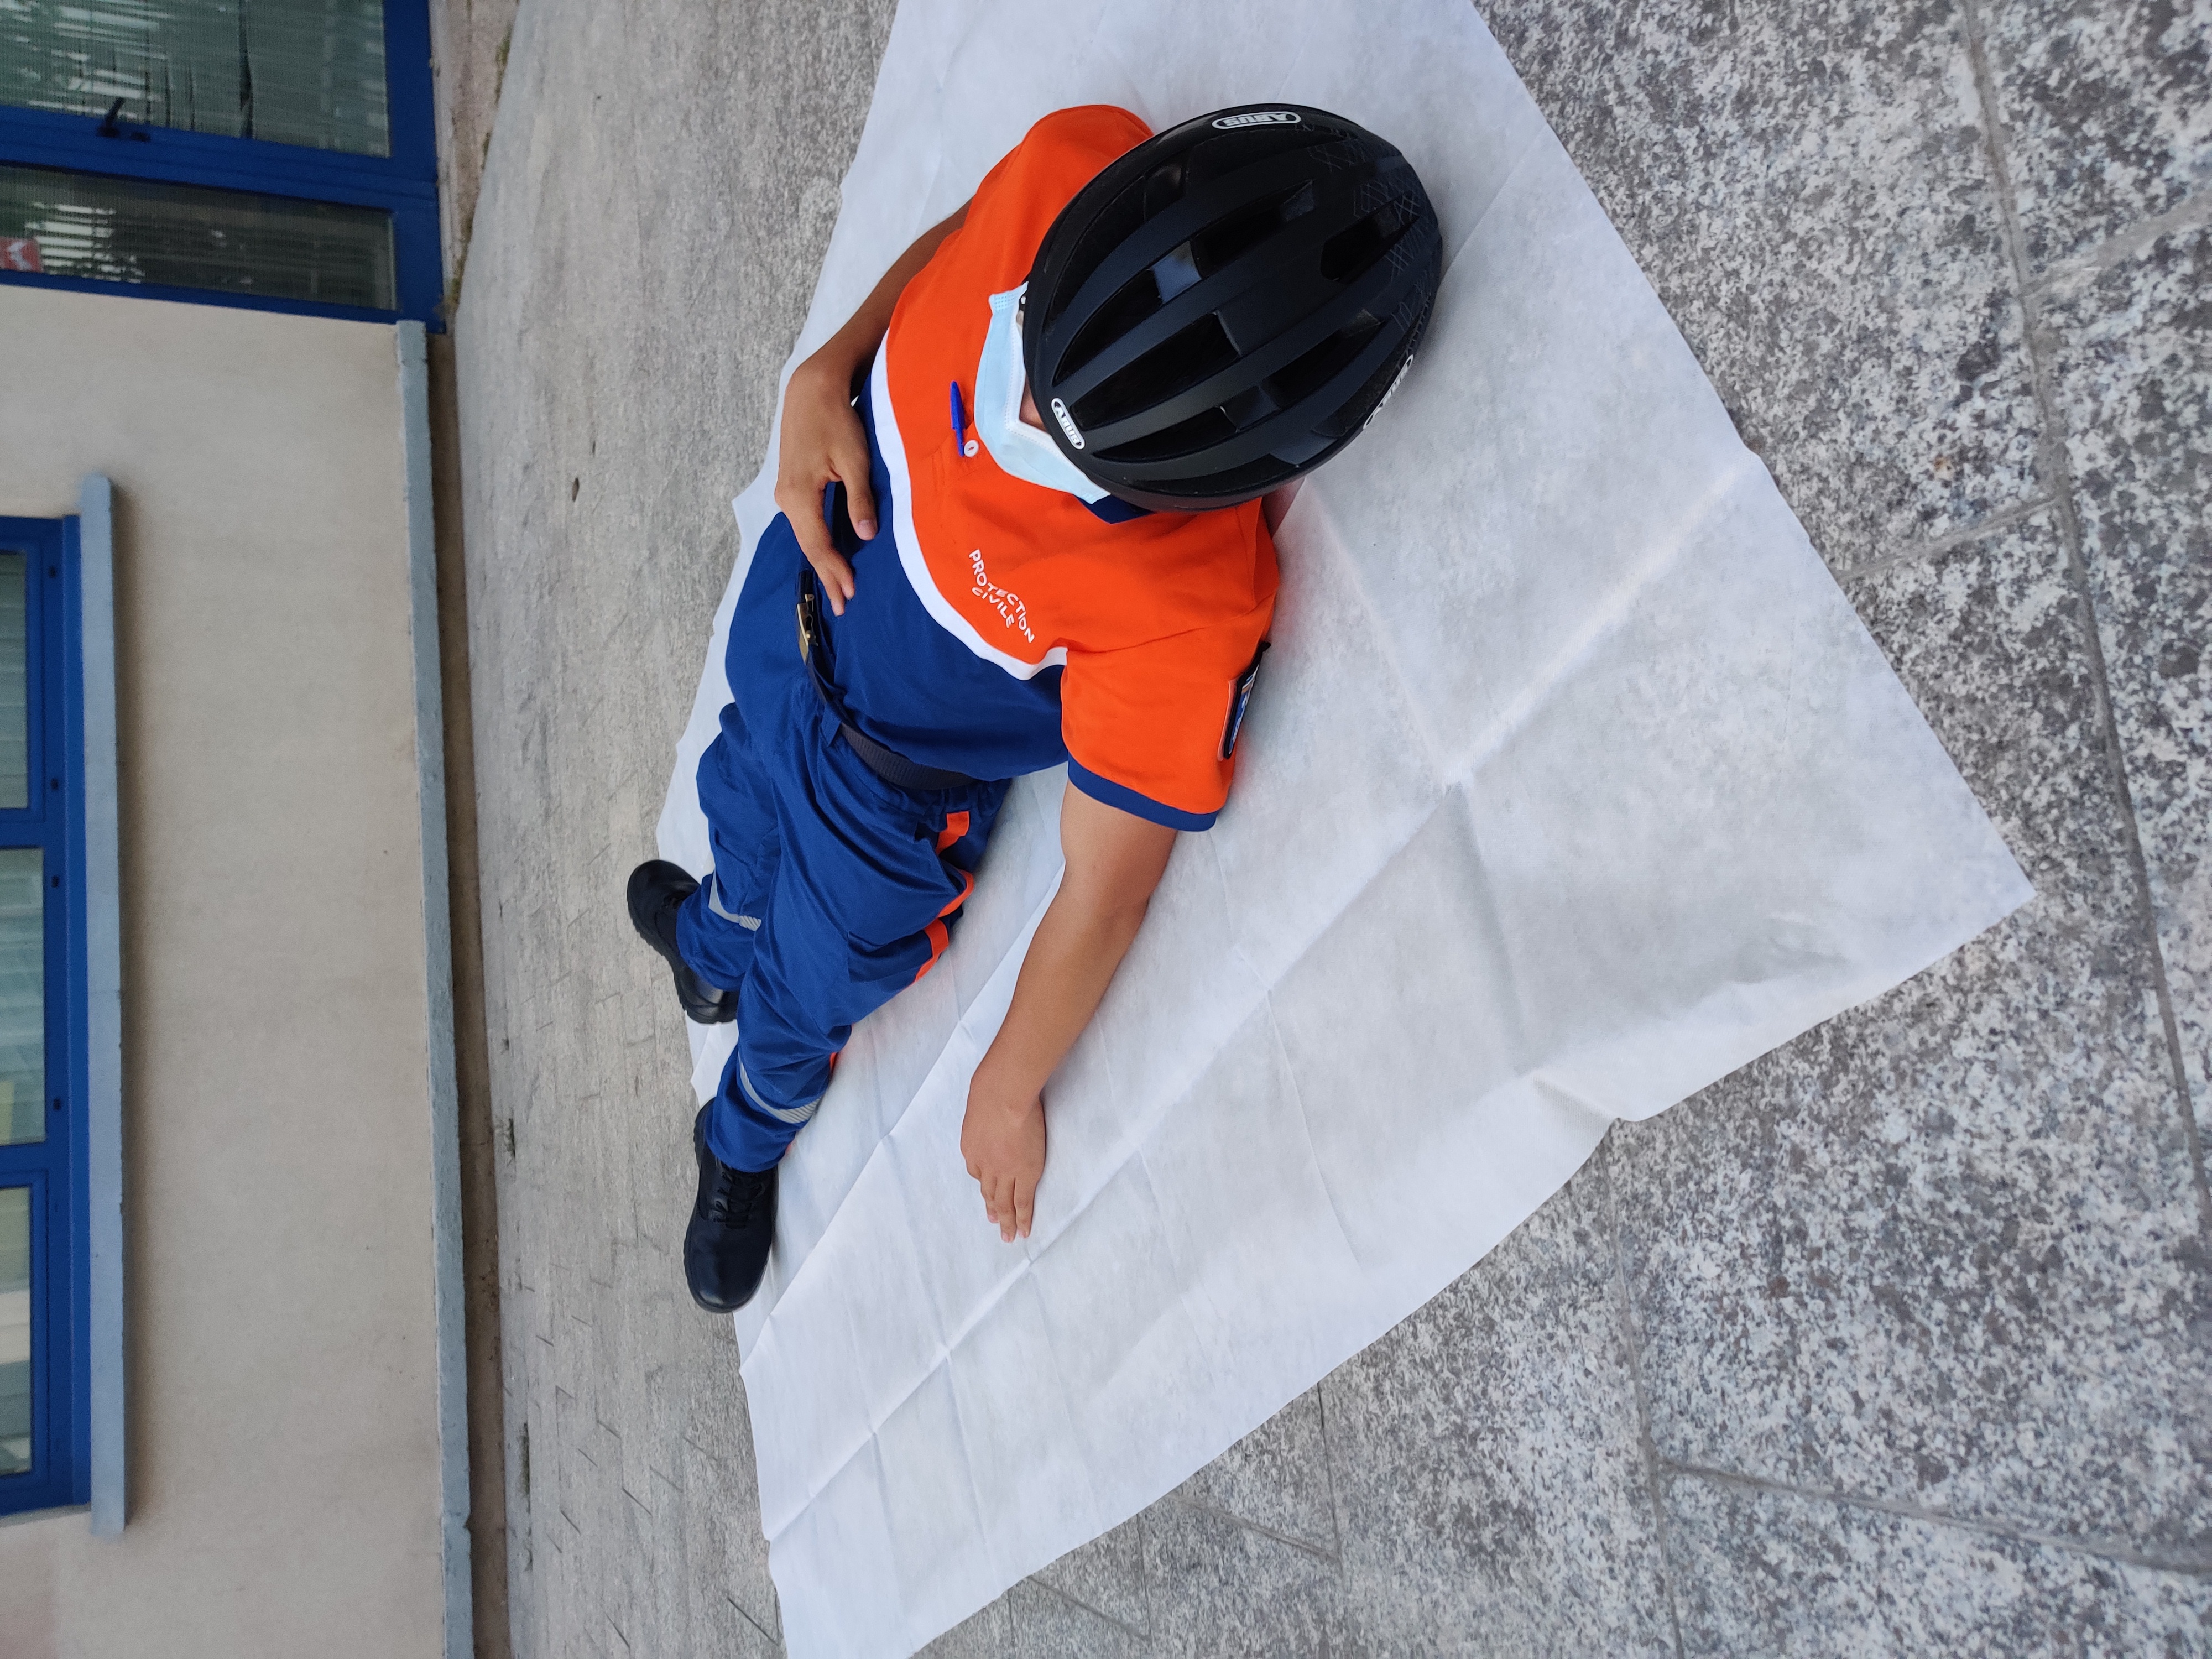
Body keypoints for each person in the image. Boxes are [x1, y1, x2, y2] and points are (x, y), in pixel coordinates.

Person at [629, 102, 1441, 1311]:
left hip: (883, 797)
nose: (1004, 419)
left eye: (1053, 451)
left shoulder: (1186, 609)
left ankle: (740, 1134)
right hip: (788, 620)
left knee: (805, 991)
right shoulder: (1070, 164)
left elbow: (1106, 887)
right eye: (1016, 347)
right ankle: (709, 951)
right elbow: (963, 227)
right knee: (733, 794)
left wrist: (1006, 1086)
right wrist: (829, 367)